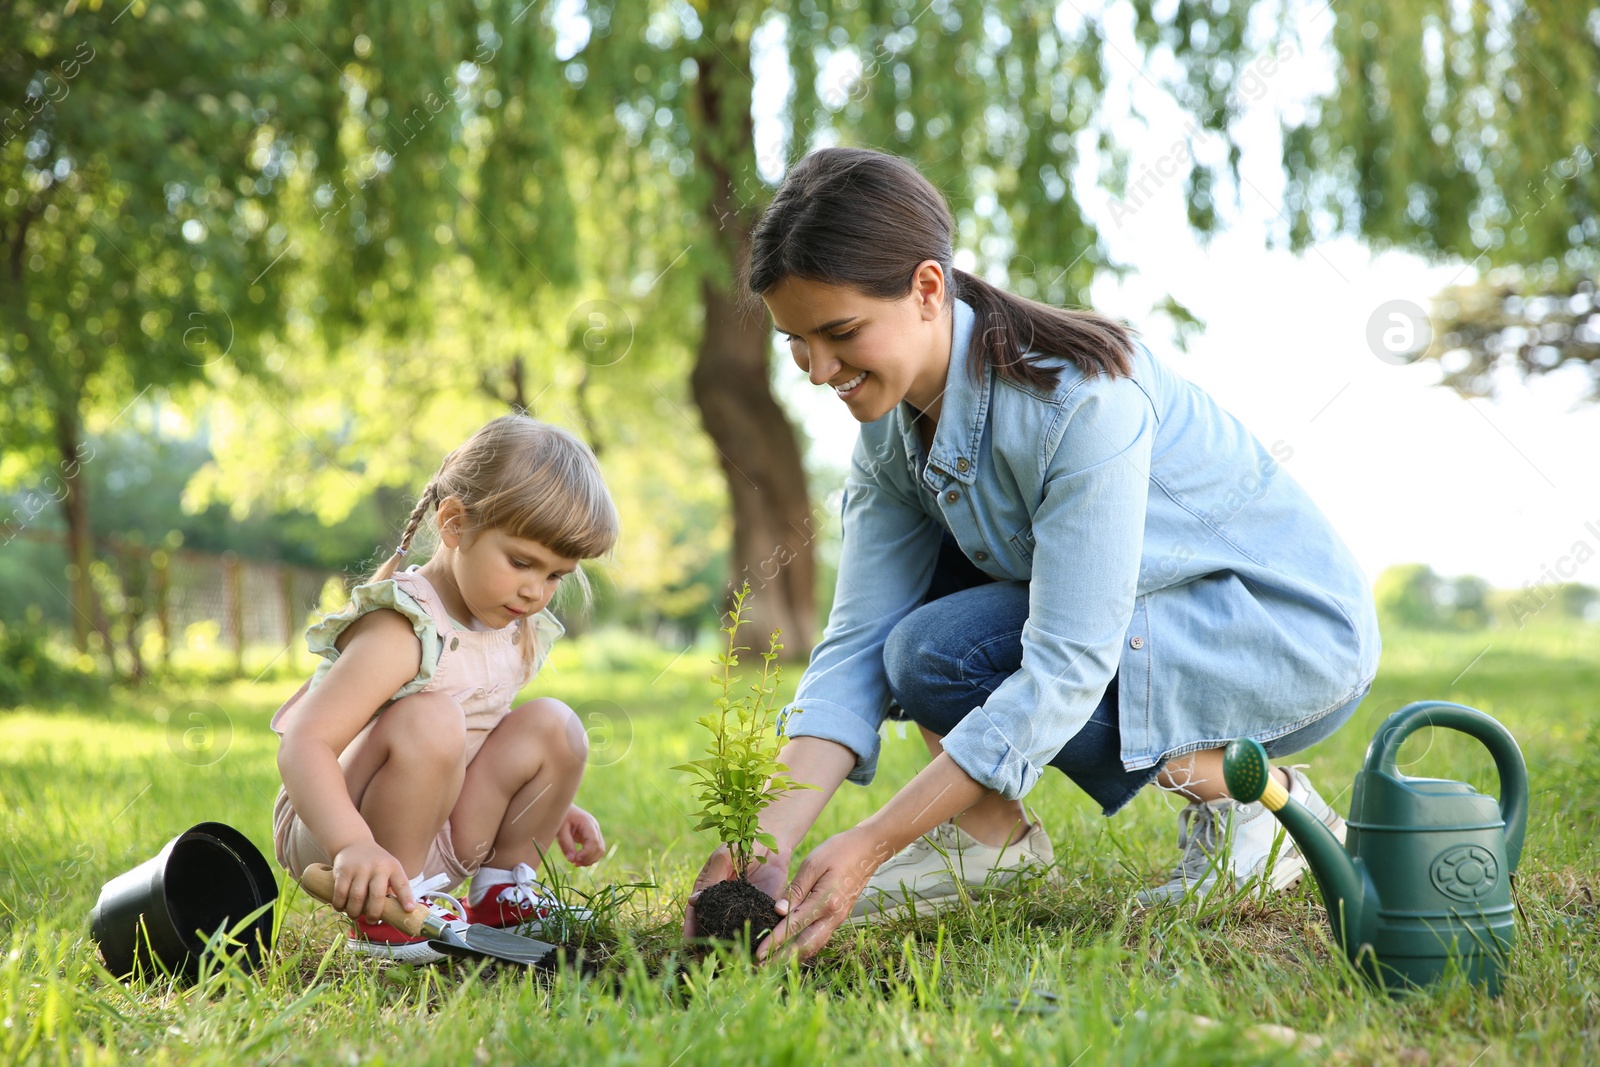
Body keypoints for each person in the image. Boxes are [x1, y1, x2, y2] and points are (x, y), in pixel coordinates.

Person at [685, 147, 1380, 961]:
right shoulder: (891, 430)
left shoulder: (1079, 404)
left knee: (934, 650)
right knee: (910, 640)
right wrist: (762, 840)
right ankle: (988, 841)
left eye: (840, 334)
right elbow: (857, 646)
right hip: (1151, 626)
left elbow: (1065, 667)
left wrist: (871, 839)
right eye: (796, 341)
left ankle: (1261, 805)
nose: (818, 371)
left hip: (1277, 634)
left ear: (927, 288)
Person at [270, 415, 620, 963]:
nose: (536, 591)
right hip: (334, 827)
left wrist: (545, 804)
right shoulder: (404, 627)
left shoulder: (509, 621)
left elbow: (490, 735)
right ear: (454, 523)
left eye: (556, 575)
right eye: (522, 562)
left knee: (556, 724)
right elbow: (304, 746)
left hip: (441, 820)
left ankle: (504, 894)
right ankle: (387, 912)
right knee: (431, 717)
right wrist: (352, 843)